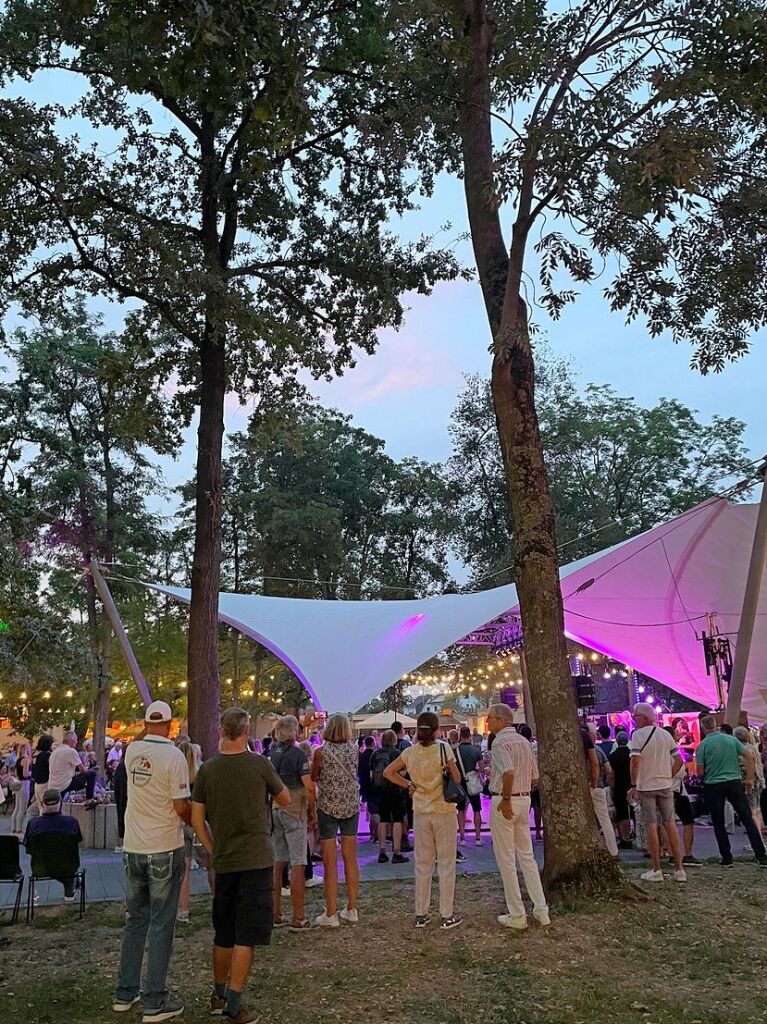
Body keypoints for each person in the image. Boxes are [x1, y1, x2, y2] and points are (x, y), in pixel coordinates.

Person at [192, 708, 289, 1024]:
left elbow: (197, 819)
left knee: (224, 930)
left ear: (221, 731)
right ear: (247, 731)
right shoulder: (260, 764)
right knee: (246, 934)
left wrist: (213, 848)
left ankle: (218, 994)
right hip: (256, 859)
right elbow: (285, 799)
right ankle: (234, 1004)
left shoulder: (207, 770)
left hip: (225, 860)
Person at [113, 701, 191, 1023]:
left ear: (145, 723)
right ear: (171, 725)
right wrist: (190, 819)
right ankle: (154, 1000)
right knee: (161, 924)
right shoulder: (175, 757)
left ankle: (125, 992)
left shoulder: (131, 752)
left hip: (134, 847)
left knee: (136, 921)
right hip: (164, 846)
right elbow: (180, 806)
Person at [383, 711, 463, 930]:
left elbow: (388, 772)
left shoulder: (410, 753)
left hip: (420, 811)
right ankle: (446, 914)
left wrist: (408, 784)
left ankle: (421, 912)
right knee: (446, 863)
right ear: (436, 729)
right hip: (444, 810)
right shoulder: (443, 748)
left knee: (423, 863)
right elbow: (456, 778)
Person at [484, 704, 549, 929]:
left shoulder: (500, 743)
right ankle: (541, 909)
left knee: (506, 860)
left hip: (506, 799)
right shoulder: (524, 742)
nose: (488, 723)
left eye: (490, 719)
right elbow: (534, 776)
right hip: (524, 799)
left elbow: (508, 772)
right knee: (527, 857)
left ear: (502, 720)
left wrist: (507, 797)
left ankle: (517, 914)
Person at [696, 715, 767, 867]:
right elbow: (749, 757)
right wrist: (748, 777)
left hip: (714, 784)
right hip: (734, 782)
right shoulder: (732, 740)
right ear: (716, 725)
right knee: (747, 818)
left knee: (718, 821)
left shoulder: (703, 745)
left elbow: (700, 772)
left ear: (703, 728)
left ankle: (727, 857)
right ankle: (761, 855)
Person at [311, 713, 360, 927]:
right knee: (351, 858)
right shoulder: (354, 750)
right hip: (350, 806)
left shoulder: (321, 752)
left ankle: (331, 912)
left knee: (330, 862)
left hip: (328, 807)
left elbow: (314, 776)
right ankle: (351, 907)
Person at [628, 702, 686, 883]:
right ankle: (679, 869)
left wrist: (633, 784)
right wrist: (669, 775)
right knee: (670, 824)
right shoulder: (664, 735)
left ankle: (656, 868)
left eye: (635, 716)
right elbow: (679, 760)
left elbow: (635, 762)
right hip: (665, 785)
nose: (634, 719)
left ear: (642, 717)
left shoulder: (638, 735)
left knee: (651, 825)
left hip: (646, 786)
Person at [269, 714, 316, 931]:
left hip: (276, 807)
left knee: (278, 862)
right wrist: (312, 810)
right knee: (298, 862)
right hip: (294, 808)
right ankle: (298, 916)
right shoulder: (298, 755)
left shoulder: (273, 753)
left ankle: (275, 912)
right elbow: (308, 786)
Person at [176, 739, 214, 924]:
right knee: (211, 864)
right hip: (199, 824)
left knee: (184, 870)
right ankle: (217, 900)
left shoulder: (175, 775)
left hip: (180, 825)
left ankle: (183, 910)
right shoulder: (200, 775)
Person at [24, 787, 83, 902]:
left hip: (40, 868)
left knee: (58, 865)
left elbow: (29, 848)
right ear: (60, 803)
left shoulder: (33, 824)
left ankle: (36, 898)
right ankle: (69, 895)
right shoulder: (71, 822)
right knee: (68, 868)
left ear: (42, 803)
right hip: (67, 868)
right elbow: (77, 841)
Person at [662, 725, 700, 866]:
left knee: (668, 822)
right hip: (676, 790)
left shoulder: (659, 753)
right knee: (687, 821)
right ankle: (687, 854)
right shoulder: (673, 754)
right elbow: (680, 773)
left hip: (664, 790)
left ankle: (671, 854)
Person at [369, 730, 408, 864]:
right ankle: (396, 852)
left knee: (383, 820)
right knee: (397, 820)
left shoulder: (375, 754)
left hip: (380, 791)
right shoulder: (396, 753)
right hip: (395, 790)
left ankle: (382, 851)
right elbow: (402, 774)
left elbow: (371, 774)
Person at [583, 725, 618, 858]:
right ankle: (612, 851)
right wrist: (596, 780)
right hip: (598, 787)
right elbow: (608, 770)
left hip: (584, 788)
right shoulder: (598, 750)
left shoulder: (574, 750)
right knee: (604, 819)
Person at [455, 725, 484, 846]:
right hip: (472, 783)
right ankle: (477, 837)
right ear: (470, 735)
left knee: (461, 810)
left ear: (460, 735)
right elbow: (481, 768)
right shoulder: (476, 750)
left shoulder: (455, 750)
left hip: (460, 784)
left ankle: (462, 837)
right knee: (477, 810)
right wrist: (475, 771)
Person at [48, 733, 97, 803]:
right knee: (92, 774)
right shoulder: (71, 751)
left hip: (52, 784)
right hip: (65, 784)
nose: (77, 742)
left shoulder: (54, 752)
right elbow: (83, 770)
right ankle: (89, 799)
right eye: (76, 740)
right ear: (72, 740)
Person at [734, 725, 765, 835]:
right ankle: (759, 835)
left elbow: (745, 767)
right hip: (759, 782)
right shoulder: (753, 747)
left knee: (751, 812)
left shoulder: (742, 749)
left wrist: (746, 780)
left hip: (750, 783)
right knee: (757, 810)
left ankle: (757, 839)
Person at [391, 720, 414, 852]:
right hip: (406, 783)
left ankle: (396, 837)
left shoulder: (389, 747)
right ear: (401, 730)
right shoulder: (406, 745)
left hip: (392, 783)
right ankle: (404, 837)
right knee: (405, 812)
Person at [608, 732, 633, 848]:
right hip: (632, 785)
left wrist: (611, 787)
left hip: (619, 787)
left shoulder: (613, 756)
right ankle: (638, 835)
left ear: (617, 741)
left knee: (622, 814)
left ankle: (625, 838)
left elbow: (611, 775)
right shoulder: (632, 755)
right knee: (634, 811)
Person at [518, 724, 542, 842]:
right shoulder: (536, 747)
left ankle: (524, 831)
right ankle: (538, 831)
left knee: (525, 808)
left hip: (524, 781)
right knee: (537, 807)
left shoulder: (520, 748)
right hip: (536, 780)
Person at [357, 735, 378, 842]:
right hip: (375, 785)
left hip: (364, 784)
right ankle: (376, 834)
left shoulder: (361, 756)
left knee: (370, 810)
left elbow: (358, 772)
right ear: (373, 743)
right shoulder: (376, 755)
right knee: (375, 811)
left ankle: (372, 834)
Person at [10, 742, 31, 837]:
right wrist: (31, 773)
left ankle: (14, 828)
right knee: (22, 808)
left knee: (17, 808)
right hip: (24, 784)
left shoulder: (18, 760)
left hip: (18, 784)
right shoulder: (26, 760)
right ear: (26, 749)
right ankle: (19, 830)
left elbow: (16, 773)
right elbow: (26, 774)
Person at [30, 733, 54, 811]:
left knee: (41, 807)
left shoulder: (35, 754)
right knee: (46, 806)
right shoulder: (47, 755)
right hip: (45, 782)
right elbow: (52, 767)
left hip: (37, 783)